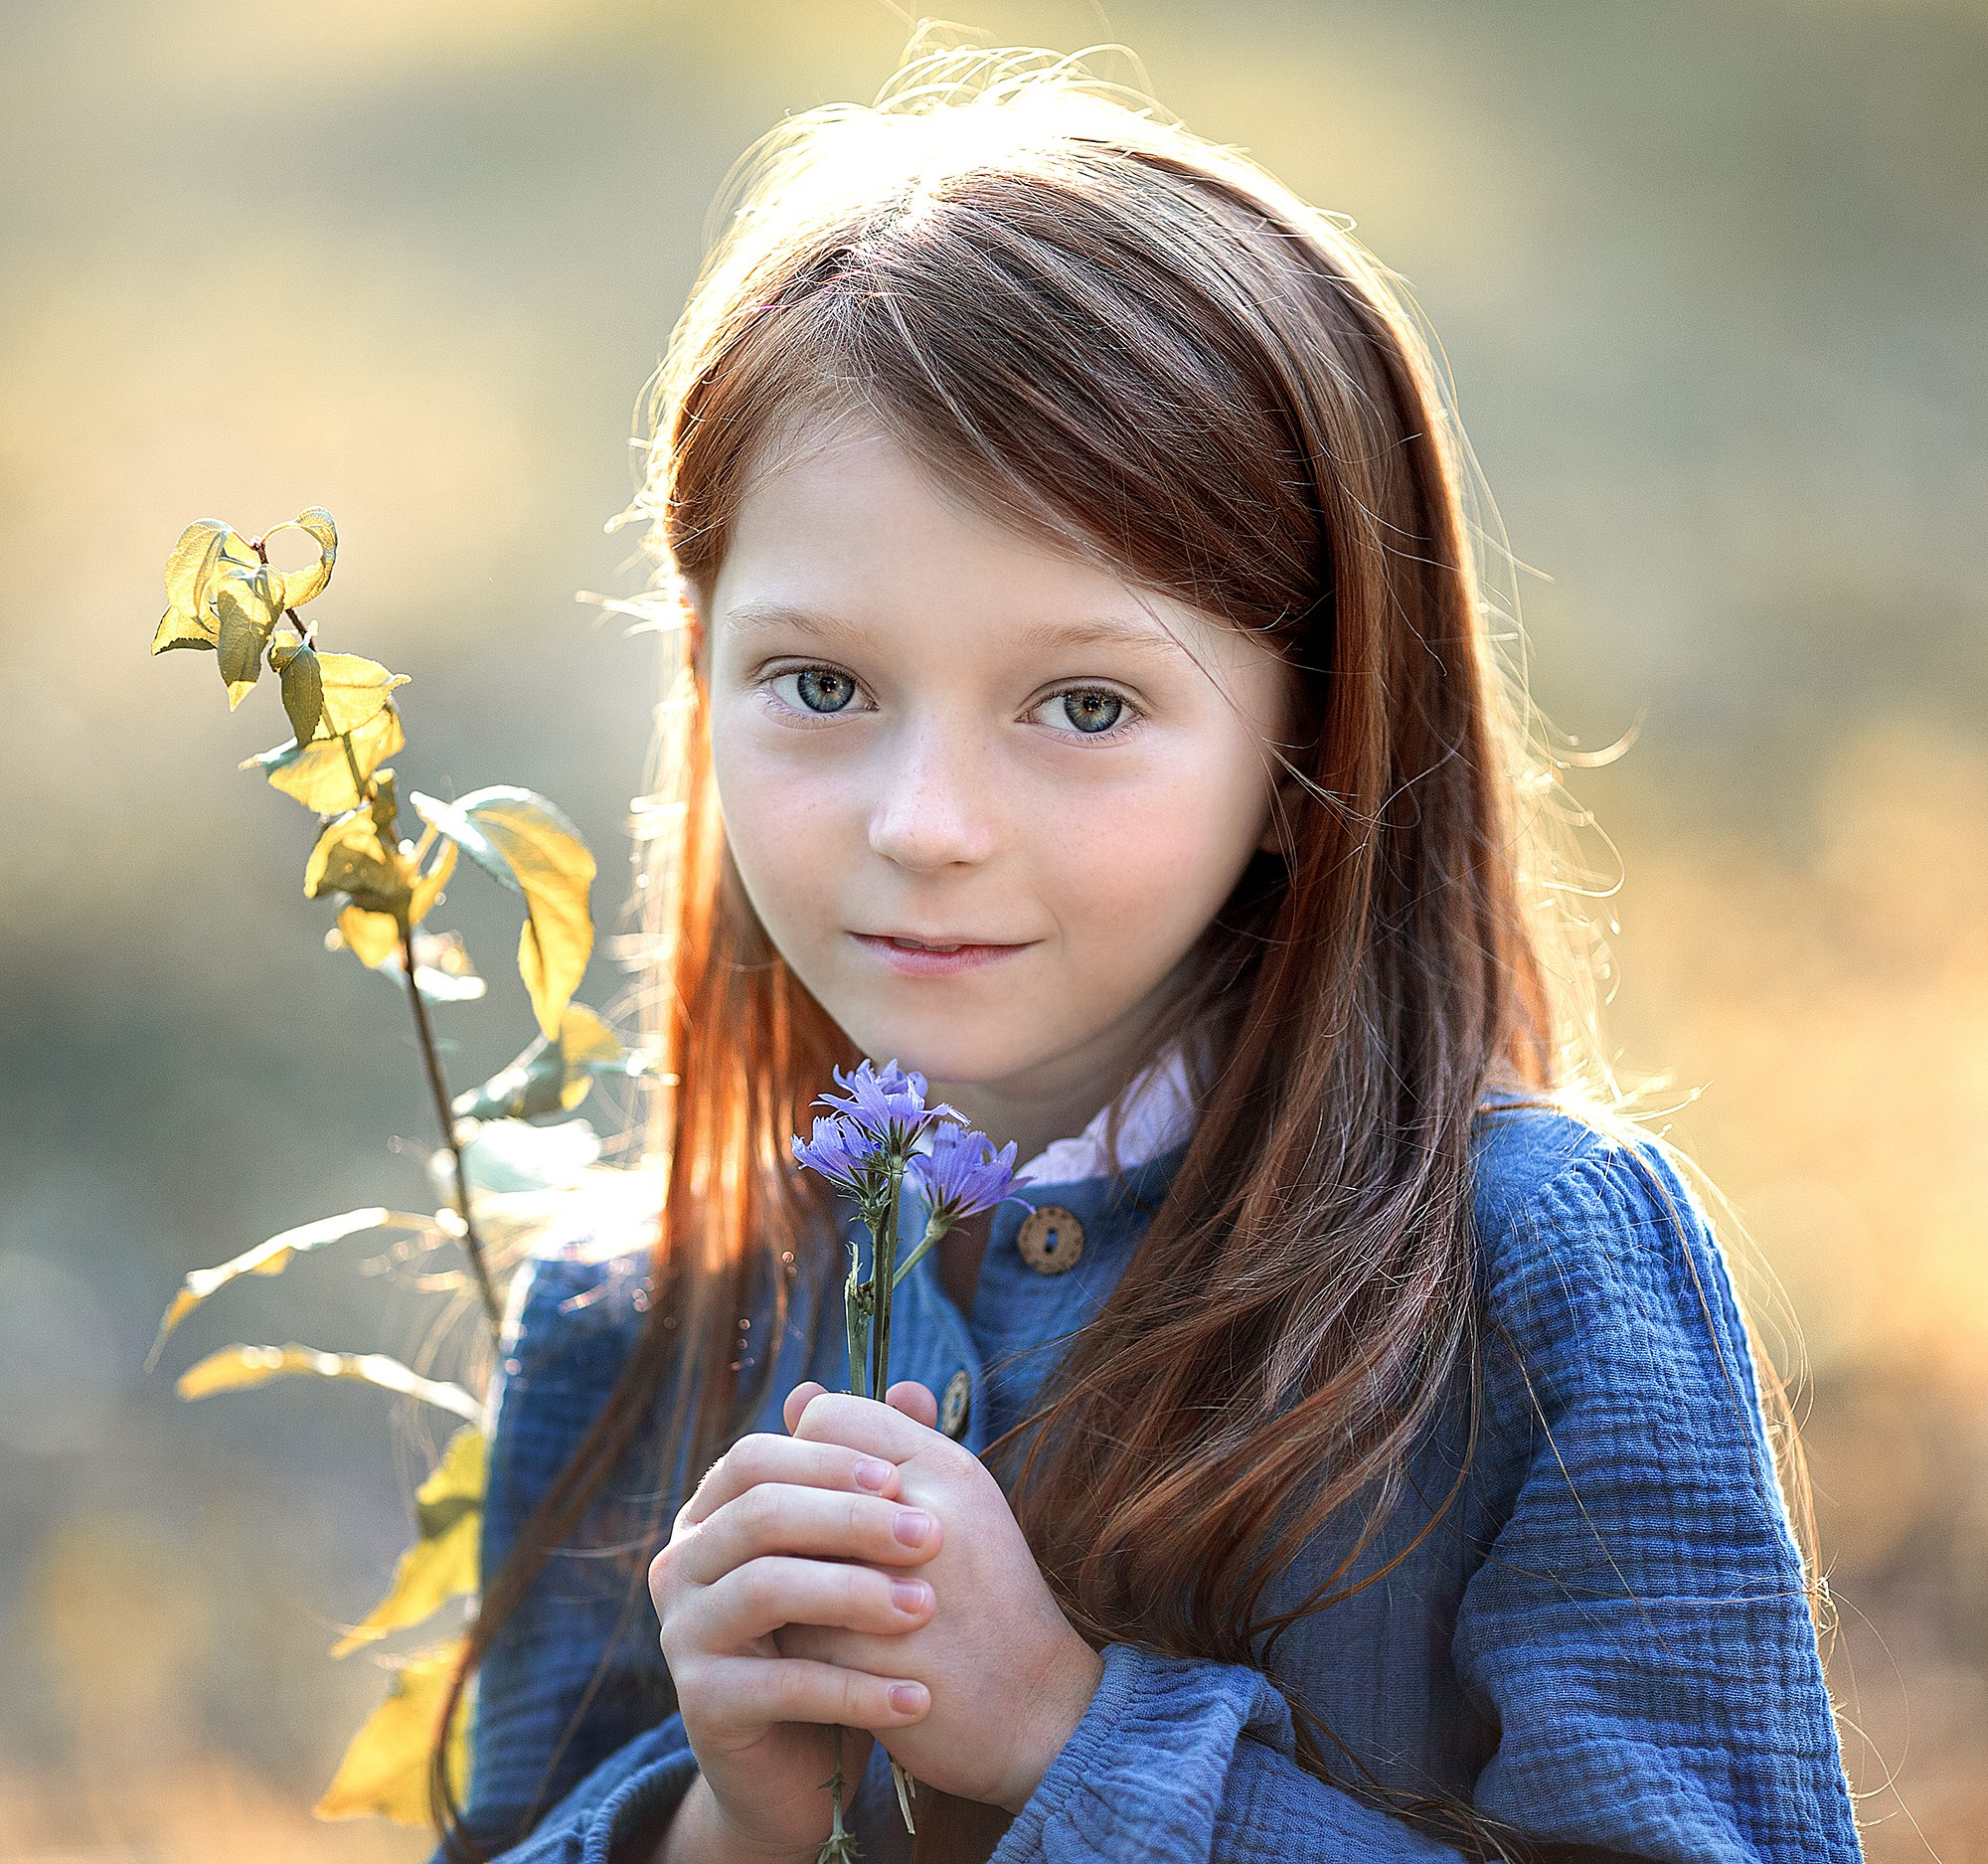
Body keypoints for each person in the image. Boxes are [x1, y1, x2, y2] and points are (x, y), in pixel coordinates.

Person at [429, 41, 1862, 1864]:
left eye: (1086, 703)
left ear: (1309, 743)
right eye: (822, 683)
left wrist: (1066, 1739)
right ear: (700, 665)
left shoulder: (1527, 1279)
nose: (925, 823)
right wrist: (727, 1823)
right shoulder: (638, 1314)